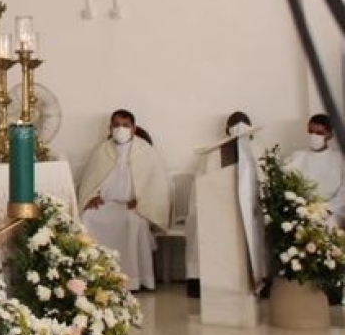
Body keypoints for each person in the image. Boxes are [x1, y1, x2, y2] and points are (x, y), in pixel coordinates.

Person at [76, 109, 171, 292]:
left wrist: (142, 201)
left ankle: (133, 280)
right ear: (110, 127)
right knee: (87, 218)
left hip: (131, 207)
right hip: (106, 204)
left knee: (134, 222)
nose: (121, 129)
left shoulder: (146, 151)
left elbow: (156, 183)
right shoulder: (101, 150)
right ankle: (92, 275)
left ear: (134, 128)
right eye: (116, 125)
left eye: (125, 125)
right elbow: (90, 180)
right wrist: (91, 197)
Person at [184, 111, 258, 298]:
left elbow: (262, 182)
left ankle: (256, 278)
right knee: (199, 224)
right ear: (227, 129)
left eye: (243, 124)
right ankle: (197, 279)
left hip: (248, 207)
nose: (239, 128)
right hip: (217, 206)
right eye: (235, 124)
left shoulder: (257, 150)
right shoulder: (215, 152)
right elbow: (202, 182)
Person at [286, 113, 345, 226]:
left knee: (328, 225)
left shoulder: (339, 159)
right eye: (311, 131)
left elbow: (344, 192)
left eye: (319, 133)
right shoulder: (297, 157)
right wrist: (305, 209)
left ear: (330, 135)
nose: (314, 136)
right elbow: (289, 187)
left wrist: (326, 210)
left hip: (333, 211)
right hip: (303, 209)